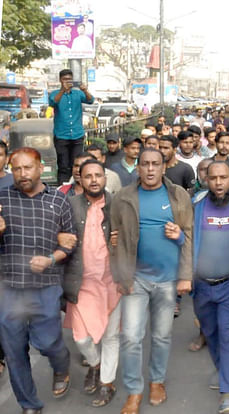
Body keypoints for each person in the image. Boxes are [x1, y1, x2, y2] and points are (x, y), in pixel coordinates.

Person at [111, 148, 193, 414]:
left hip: (168, 281)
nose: (149, 169)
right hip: (136, 279)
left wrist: (184, 274)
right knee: (131, 337)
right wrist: (121, 275)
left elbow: (188, 237)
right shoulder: (123, 197)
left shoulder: (178, 196)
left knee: (161, 336)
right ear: (138, 167)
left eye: (155, 164)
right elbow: (114, 239)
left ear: (163, 167)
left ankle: (157, 381)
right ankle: (134, 390)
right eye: (144, 164)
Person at [0, 148, 76, 414]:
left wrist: (51, 259)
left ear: (40, 167)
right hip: (9, 288)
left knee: (47, 342)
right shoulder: (1, 199)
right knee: (14, 350)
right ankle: (29, 404)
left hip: (46, 286)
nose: (22, 174)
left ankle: (61, 365)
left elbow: (70, 243)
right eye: (16, 169)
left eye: (27, 168)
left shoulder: (58, 200)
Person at [62, 159, 121, 407]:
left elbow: (135, 237)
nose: (94, 180)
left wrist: (123, 242)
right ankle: (95, 364)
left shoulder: (119, 205)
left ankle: (107, 382)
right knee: (81, 338)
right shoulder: (69, 205)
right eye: (88, 176)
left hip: (112, 280)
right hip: (80, 281)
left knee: (110, 336)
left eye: (98, 175)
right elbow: (59, 236)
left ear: (105, 179)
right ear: (80, 179)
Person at [193, 161, 229, 414]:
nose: (218, 183)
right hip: (202, 287)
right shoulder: (196, 204)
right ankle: (222, 370)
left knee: (228, 336)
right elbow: (188, 239)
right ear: (206, 179)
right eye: (213, 178)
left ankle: (228, 396)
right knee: (212, 333)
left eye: (223, 178)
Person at [49, 69, 95, 184]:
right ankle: (63, 189)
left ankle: (79, 187)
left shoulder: (78, 93)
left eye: (69, 79)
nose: (67, 82)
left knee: (78, 164)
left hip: (77, 134)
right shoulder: (55, 93)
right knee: (63, 165)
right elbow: (53, 103)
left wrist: (85, 90)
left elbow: (91, 100)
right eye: (65, 79)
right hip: (61, 135)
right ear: (60, 80)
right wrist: (62, 91)